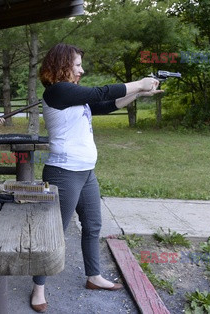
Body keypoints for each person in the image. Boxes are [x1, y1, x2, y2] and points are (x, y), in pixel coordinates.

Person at [29, 43, 163, 313]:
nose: (82, 69)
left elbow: (107, 104)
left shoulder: (73, 95)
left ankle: (94, 277)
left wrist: (139, 92)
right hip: (64, 172)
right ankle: (38, 287)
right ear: (63, 65)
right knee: (55, 231)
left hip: (86, 172)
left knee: (92, 225)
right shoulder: (58, 91)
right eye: (77, 64)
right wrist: (138, 83)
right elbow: (100, 91)